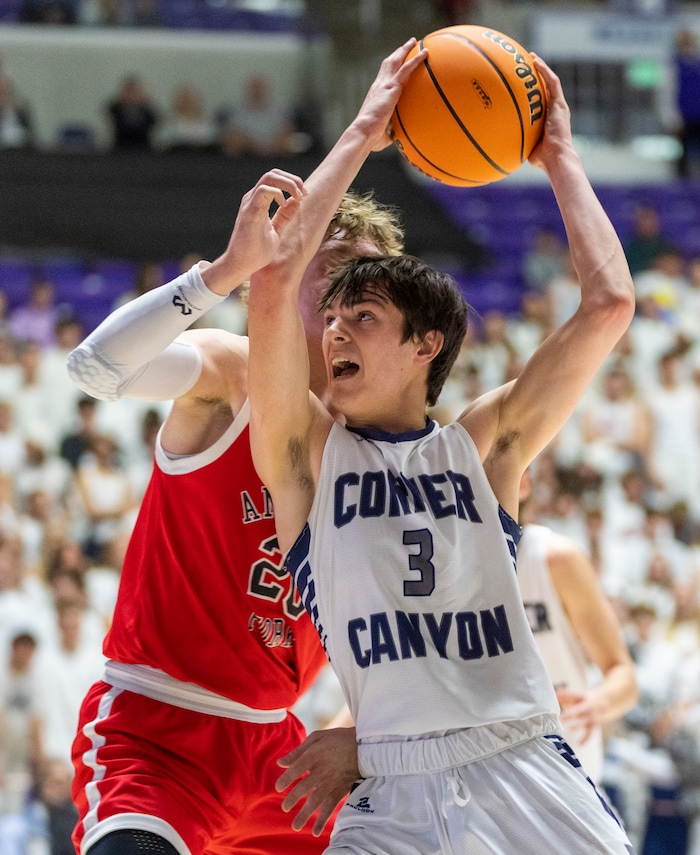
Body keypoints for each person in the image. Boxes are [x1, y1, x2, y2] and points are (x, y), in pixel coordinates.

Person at [246, 51, 637, 853]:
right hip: (391, 790)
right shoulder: (305, 458)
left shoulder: (484, 450)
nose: (333, 330)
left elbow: (609, 305)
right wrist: (363, 127)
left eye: (364, 316)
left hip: (524, 766)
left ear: (427, 344)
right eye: (333, 315)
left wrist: (559, 151)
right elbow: (274, 279)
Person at [65, 40, 421, 855]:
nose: (342, 308)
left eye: (364, 294)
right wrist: (224, 271)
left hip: (280, 754)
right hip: (156, 731)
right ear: (291, 288)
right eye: (326, 282)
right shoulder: (233, 375)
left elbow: (404, 647)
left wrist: (352, 733)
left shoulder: (385, 461)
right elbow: (96, 367)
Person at [517, 470, 639, 785]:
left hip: (565, 765)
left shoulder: (556, 557)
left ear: (524, 482)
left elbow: (623, 676)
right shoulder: (448, 562)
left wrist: (598, 702)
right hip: (485, 775)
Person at [105, 74, 159, 150]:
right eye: (128, 92)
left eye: (134, 92)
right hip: (119, 149)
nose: (131, 96)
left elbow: (154, 119)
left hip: (145, 149)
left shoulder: (148, 111)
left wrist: (145, 102)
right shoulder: (115, 109)